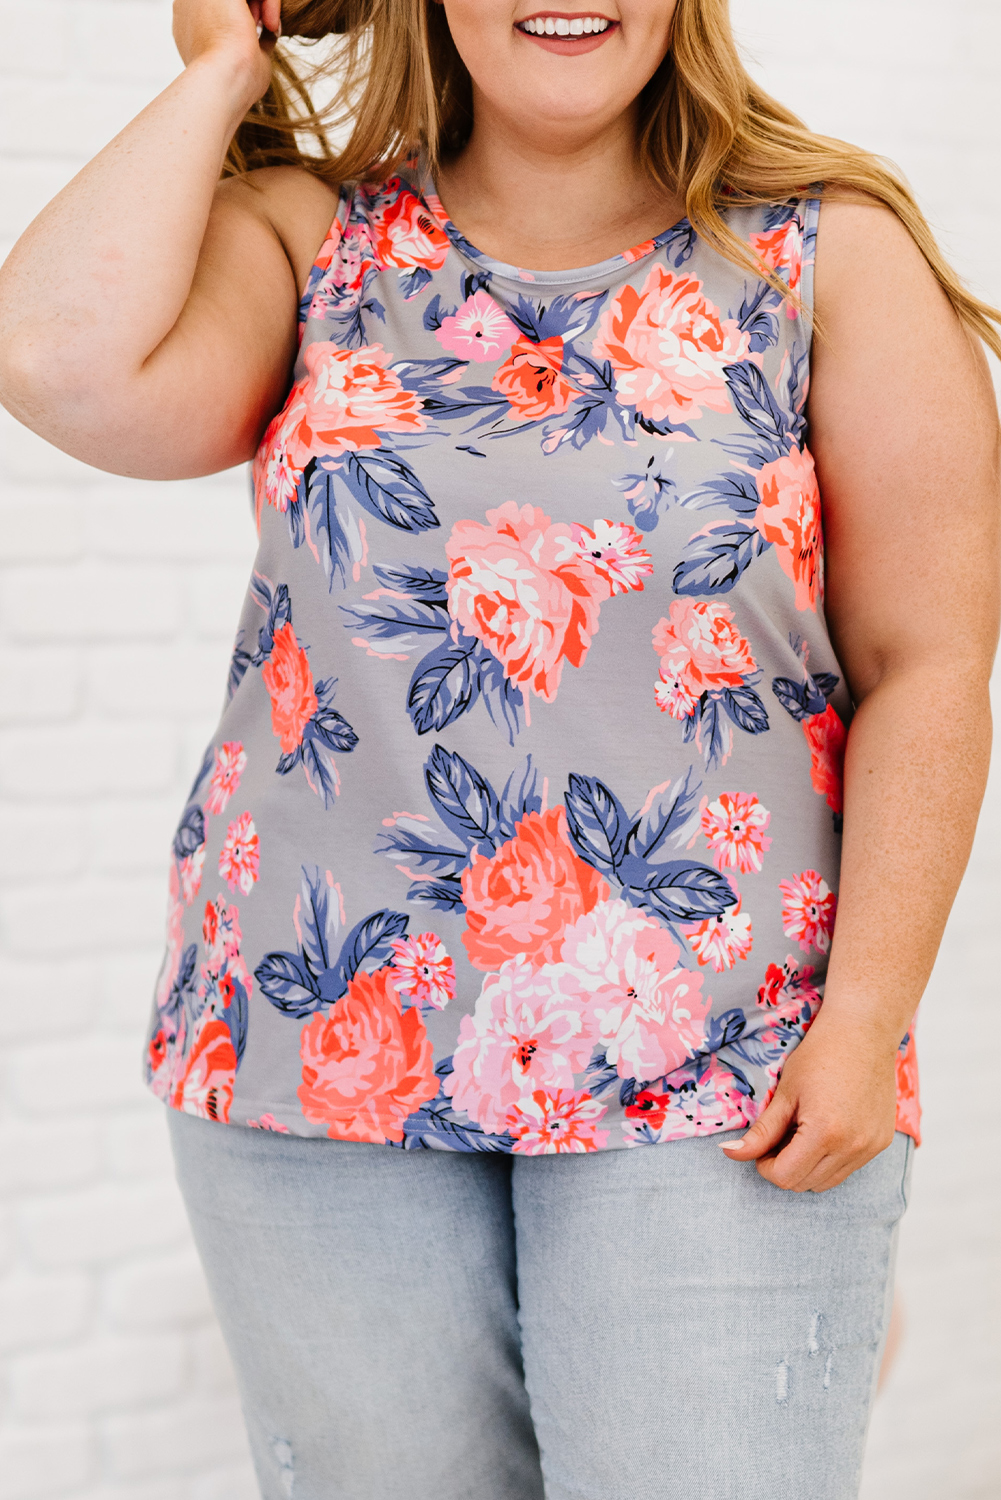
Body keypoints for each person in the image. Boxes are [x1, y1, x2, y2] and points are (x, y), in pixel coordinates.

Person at [0, 1, 997, 1495]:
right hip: (317, 1051)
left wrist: (865, 1023)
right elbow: (57, 361)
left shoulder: (825, 254)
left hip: (724, 1060)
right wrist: (227, 62)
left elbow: (928, 664)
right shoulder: (310, 241)